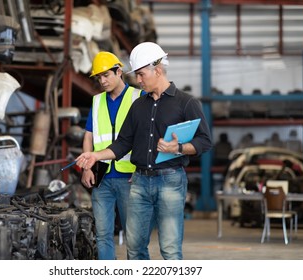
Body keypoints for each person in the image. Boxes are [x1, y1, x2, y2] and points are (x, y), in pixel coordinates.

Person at [76, 42, 212, 260]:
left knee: (169, 249)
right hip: (139, 182)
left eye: (141, 74)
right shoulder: (139, 106)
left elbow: (205, 141)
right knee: (135, 248)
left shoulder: (186, 103)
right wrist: (95, 155)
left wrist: (179, 148)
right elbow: (123, 143)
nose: (138, 80)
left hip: (170, 181)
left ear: (157, 70)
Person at [82, 51, 143, 260]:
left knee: (134, 236)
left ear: (119, 72)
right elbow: (88, 136)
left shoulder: (138, 97)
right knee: (102, 235)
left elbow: (146, 138)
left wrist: (142, 170)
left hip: (130, 178)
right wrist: (87, 167)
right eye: (99, 77)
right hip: (102, 178)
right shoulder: (97, 101)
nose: (102, 81)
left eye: (106, 75)